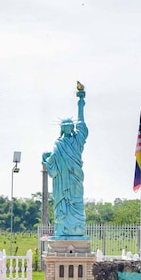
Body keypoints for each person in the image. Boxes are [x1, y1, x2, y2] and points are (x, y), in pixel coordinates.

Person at [42, 86, 88, 238]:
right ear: (62, 128)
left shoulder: (77, 141)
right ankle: (62, 230)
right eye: (65, 126)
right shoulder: (58, 144)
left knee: (76, 203)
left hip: (75, 178)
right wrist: (46, 159)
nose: (69, 128)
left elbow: (82, 126)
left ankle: (77, 230)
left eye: (70, 126)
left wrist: (81, 103)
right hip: (61, 183)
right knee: (62, 205)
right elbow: (53, 166)